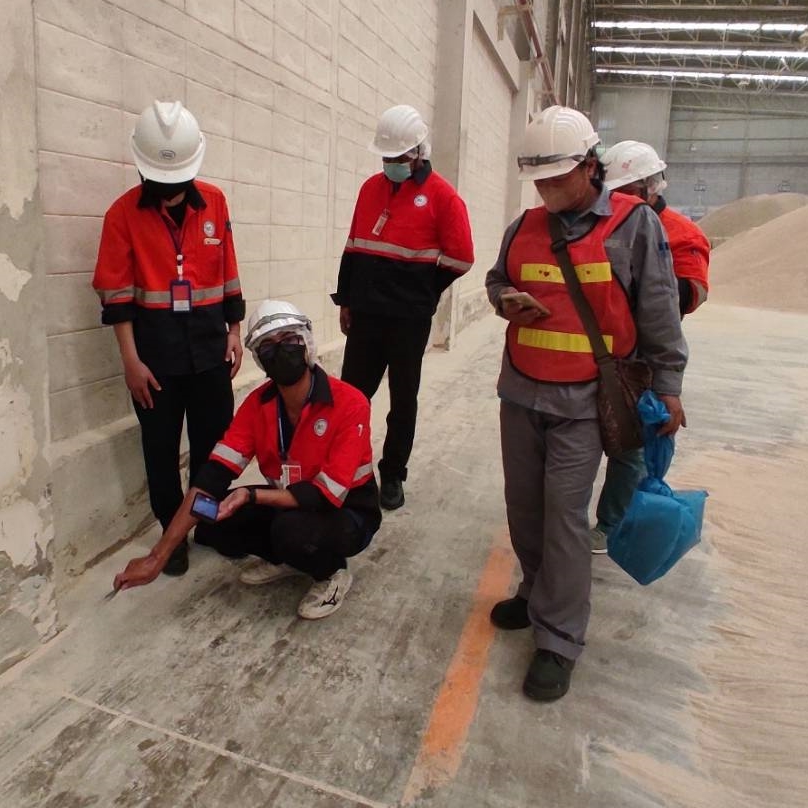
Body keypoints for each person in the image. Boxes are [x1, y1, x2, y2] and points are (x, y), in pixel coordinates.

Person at [485, 106, 688, 700]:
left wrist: (669, 386)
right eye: (539, 180)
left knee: (565, 517)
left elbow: (659, 310)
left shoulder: (634, 226)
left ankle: (559, 637)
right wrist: (505, 298)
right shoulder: (523, 225)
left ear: (590, 167)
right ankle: (535, 590)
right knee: (524, 508)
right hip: (521, 391)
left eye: (556, 178)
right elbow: (496, 278)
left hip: (584, 401)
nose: (546, 190)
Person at [113, 300, 382, 620]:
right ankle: (288, 559)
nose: (279, 351)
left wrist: (251, 495)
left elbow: (324, 496)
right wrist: (157, 557)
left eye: (289, 339)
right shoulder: (257, 406)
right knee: (210, 517)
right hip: (289, 500)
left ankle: (332, 573)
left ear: (307, 343)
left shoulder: (349, 403)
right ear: (259, 358)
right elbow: (212, 477)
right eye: (267, 345)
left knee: (289, 530)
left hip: (348, 510)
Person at [93, 100, 245, 577]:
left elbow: (228, 271)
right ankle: (170, 534)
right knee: (160, 450)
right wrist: (130, 361)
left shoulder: (215, 202)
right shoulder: (122, 215)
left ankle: (207, 525)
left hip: (210, 350)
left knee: (213, 446)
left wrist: (234, 331)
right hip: (154, 359)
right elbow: (116, 295)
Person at [331, 104, 474, 510]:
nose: (391, 164)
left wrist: (423, 291)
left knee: (402, 398)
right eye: (386, 157)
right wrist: (346, 299)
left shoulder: (443, 197)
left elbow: (462, 257)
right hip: (366, 315)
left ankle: (393, 473)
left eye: (398, 157)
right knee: (351, 396)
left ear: (418, 153)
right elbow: (354, 246)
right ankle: (345, 468)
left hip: (408, 320)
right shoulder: (370, 189)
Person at [588, 140, 711, 553]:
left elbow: (692, 293)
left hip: (643, 356)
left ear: (650, 188)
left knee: (632, 446)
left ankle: (611, 524)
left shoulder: (682, 234)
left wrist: (649, 276)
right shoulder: (599, 222)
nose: (619, 200)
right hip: (597, 350)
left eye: (627, 192)